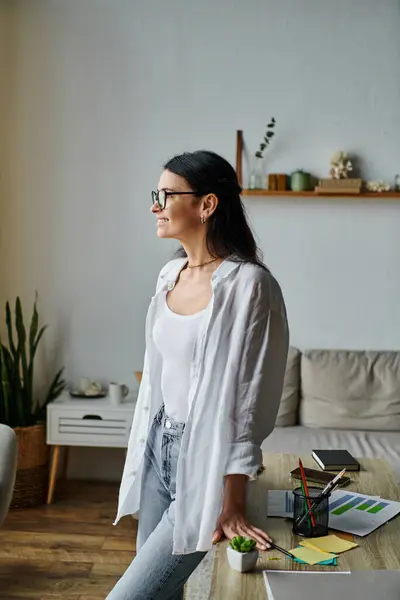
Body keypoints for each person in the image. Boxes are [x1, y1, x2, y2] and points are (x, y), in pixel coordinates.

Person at [107, 150, 289, 600]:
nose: (155, 205)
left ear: (206, 205)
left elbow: (248, 404)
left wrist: (232, 500)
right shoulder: (170, 274)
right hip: (158, 447)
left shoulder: (250, 286)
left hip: (202, 459)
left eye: (166, 195)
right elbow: (160, 372)